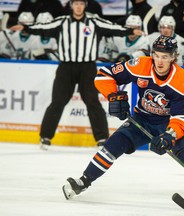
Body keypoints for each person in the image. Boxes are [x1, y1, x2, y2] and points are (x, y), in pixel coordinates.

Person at [62, 35, 184, 207]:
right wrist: (114, 96)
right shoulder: (140, 65)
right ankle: (83, 181)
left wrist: (169, 135)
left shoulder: (182, 81)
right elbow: (103, 75)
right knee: (113, 145)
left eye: (165, 57)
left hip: (168, 123)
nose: (159, 62)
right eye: (157, 55)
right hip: (141, 119)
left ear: (173, 57)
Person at [10, 0, 144, 150]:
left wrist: (131, 31)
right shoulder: (62, 22)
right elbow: (42, 28)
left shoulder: (94, 21)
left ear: (85, 5)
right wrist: (26, 28)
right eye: (76, 4)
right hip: (66, 67)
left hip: (87, 67)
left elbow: (113, 28)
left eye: (81, 4)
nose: (78, 7)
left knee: (92, 101)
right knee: (58, 101)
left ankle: (101, 138)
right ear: (71, 5)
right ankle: (45, 137)